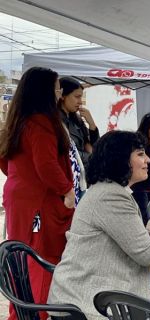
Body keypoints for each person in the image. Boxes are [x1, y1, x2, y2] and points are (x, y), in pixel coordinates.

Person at [47, 130, 150, 319]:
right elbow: (145, 254)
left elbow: (133, 243)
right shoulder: (111, 196)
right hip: (83, 304)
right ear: (120, 159)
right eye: (140, 154)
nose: (148, 161)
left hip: (86, 296)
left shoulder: (110, 191)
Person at [0, 67, 75, 319]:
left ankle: (19, 312)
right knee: (40, 257)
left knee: (21, 257)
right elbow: (46, 164)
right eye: (56, 88)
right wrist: (66, 189)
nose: (59, 93)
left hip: (20, 199)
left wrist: (20, 178)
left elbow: (4, 157)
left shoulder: (19, 119)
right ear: (45, 91)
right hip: (38, 206)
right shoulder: (41, 122)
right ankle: (35, 314)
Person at [58, 77, 99, 169]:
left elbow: (94, 146)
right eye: (77, 97)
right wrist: (93, 157)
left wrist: (92, 125)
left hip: (82, 171)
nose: (80, 102)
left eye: (81, 97)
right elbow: (67, 152)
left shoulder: (77, 119)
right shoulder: (55, 120)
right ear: (63, 96)